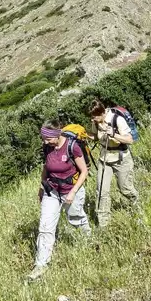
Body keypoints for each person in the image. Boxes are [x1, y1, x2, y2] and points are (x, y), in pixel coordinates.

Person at [28, 120, 91, 282]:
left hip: (71, 190)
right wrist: (41, 188)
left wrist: (73, 192)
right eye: (43, 138)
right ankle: (41, 264)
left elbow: (84, 172)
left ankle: (89, 241)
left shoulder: (72, 147)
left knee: (76, 219)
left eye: (47, 138)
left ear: (57, 135)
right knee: (45, 226)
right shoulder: (47, 147)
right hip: (51, 190)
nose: (45, 141)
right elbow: (46, 168)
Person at [90, 100, 140, 228]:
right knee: (101, 191)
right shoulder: (95, 122)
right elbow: (96, 137)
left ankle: (136, 203)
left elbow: (129, 140)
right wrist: (84, 135)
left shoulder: (117, 119)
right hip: (104, 159)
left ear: (102, 112)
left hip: (121, 158)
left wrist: (113, 134)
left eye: (95, 116)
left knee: (125, 189)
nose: (93, 119)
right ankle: (103, 224)